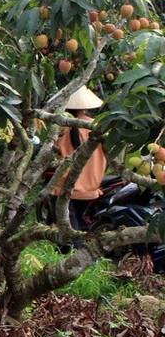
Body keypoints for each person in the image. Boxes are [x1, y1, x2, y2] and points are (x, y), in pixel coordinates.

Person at [52, 86, 105, 231]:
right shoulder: (97, 125)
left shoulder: (62, 127)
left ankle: (72, 251)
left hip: (67, 182)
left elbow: (54, 151)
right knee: (79, 220)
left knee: (68, 224)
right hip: (92, 183)